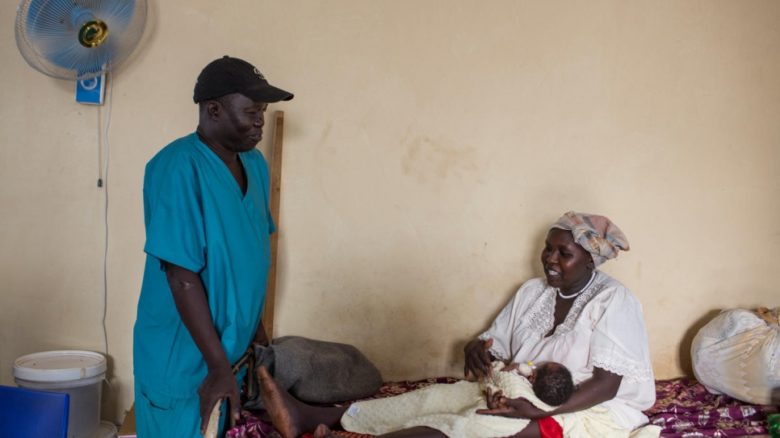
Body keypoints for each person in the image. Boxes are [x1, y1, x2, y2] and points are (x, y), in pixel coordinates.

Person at [257, 211, 658, 438]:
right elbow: (493, 342)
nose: (549, 259)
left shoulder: (613, 301)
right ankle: (312, 417)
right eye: (548, 248)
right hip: (523, 391)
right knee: (434, 398)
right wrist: (478, 349)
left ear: (590, 260)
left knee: (468, 425)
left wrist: (534, 413)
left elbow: (607, 386)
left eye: (563, 253)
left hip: (595, 411)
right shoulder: (533, 292)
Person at [132, 55, 293, 437]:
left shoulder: (254, 165)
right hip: (184, 356)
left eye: (264, 112)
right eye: (251, 111)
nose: (260, 122)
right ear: (213, 110)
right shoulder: (177, 168)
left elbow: (248, 254)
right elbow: (181, 275)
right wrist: (217, 366)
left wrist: (256, 332)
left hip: (228, 355)